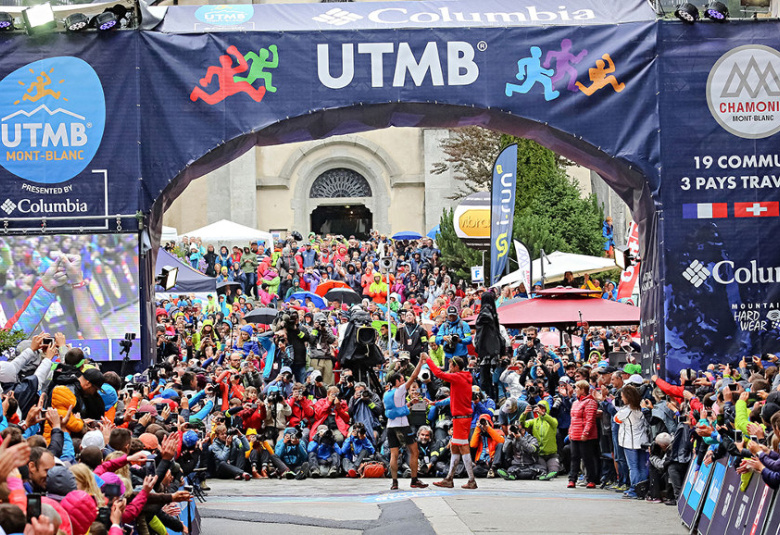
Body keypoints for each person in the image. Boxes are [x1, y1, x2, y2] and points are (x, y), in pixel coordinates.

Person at [426, 355, 478, 489]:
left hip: (461, 418)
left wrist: (427, 359)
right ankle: (449, 478)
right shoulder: (463, 378)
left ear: (455, 366)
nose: (449, 368)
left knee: (463, 447)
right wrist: (435, 403)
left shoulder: (458, 377)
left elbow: (438, 373)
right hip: (460, 418)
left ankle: (471, 480)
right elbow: (451, 399)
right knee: (455, 447)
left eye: (450, 365)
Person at [383, 355, 428, 490]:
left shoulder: (387, 393)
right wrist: (420, 362)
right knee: (414, 452)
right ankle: (414, 480)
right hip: (402, 426)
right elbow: (414, 376)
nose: (404, 381)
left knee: (394, 454)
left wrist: (409, 404)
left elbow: (396, 408)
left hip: (390, 426)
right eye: (401, 379)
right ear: (396, 382)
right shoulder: (400, 390)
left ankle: (394, 482)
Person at [614, 384, 650, 499]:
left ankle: (634, 489)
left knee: (633, 467)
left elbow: (616, 419)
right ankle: (643, 489)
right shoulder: (643, 408)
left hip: (630, 442)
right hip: (643, 440)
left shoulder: (626, 411)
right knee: (642, 467)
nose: (622, 399)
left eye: (622, 396)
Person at [568, 380, 600, 489]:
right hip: (575, 433)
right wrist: (570, 432)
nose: (575, 390)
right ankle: (572, 479)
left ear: (582, 390)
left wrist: (586, 433)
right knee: (574, 457)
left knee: (587, 458)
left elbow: (590, 420)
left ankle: (591, 480)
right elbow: (572, 419)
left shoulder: (591, 402)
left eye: (577, 388)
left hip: (586, 436)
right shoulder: (575, 402)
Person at [474, 291, 503, 401]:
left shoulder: (484, 312)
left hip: (485, 350)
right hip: (493, 350)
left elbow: (481, 333)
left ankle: (488, 398)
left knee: (486, 378)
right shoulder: (491, 312)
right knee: (493, 378)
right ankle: (493, 398)